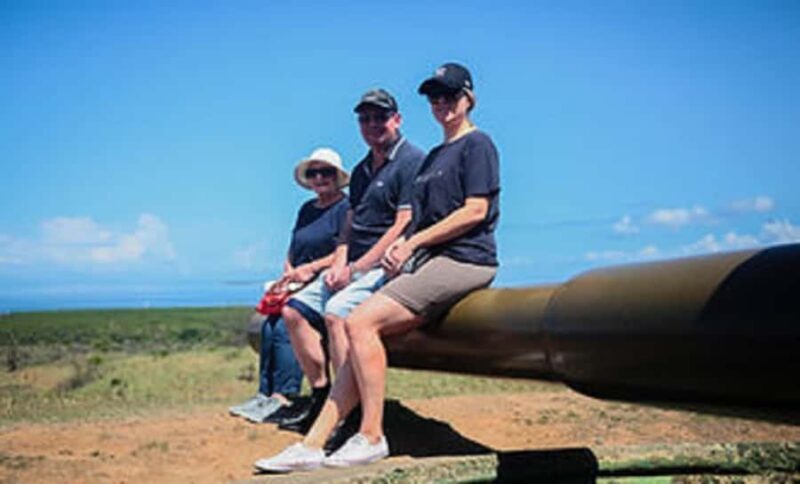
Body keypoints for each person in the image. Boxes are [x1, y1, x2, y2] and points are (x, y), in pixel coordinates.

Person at [254, 62, 500, 472]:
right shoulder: (438, 153)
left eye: (450, 95)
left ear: (468, 98)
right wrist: (405, 243)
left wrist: (412, 242)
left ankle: (371, 435)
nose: (442, 104)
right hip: (429, 259)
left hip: (465, 258)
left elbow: (476, 211)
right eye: (434, 97)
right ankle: (315, 443)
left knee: (359, 322)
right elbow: (418, 216)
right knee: (353, 322)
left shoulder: (478, 145)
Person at [271, 89, 425, 435]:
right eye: (365, 119)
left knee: (337, 313)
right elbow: (349, 228)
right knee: (293, 311)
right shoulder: (360, 171)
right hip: (351, 264)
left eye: (380, 117)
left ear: (396, 120)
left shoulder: (412, 160)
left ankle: (347, 414)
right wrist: (340, 263)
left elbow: (402, 223)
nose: (372, 125)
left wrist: (356, 269)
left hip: (384, 264)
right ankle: (323, 393)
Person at [228, 147, 350, 423]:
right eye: (313, 173)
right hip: (298, 282)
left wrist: (309, 270)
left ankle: (287, 396)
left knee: (285, 324)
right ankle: (266, 393)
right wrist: (288, 274)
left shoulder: (346, 208)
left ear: (337, 176)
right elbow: (294, 247)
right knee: (268, 326)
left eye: (326, 172)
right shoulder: (306, 209)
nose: (319, 178)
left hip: (326, 282)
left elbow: (345, 249)